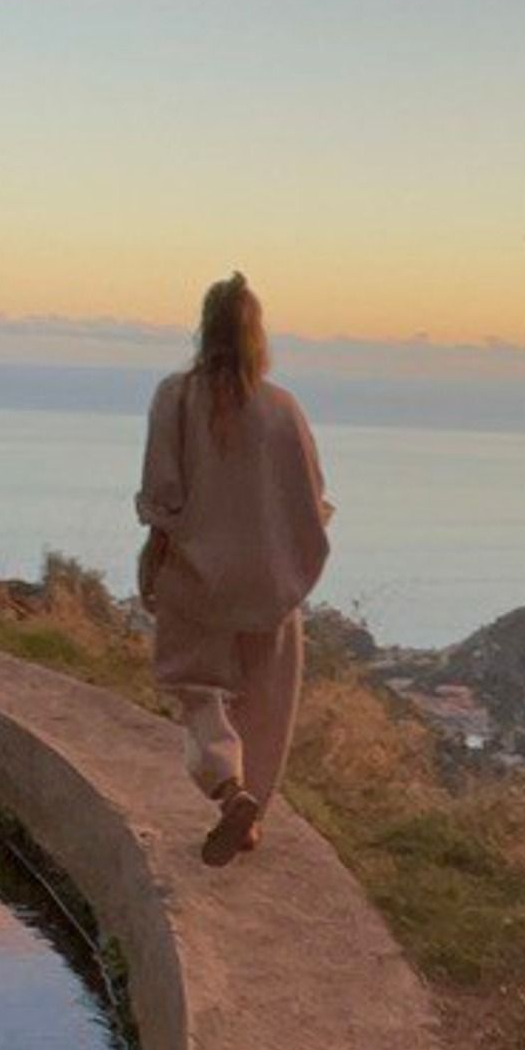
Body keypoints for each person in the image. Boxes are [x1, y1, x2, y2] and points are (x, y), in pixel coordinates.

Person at [135, 274, 332, 866]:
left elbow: (162, 491)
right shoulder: (282, 407)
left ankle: (229, 790)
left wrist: (157, 553)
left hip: (196, 576)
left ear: (204, 327)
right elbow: (313, 497)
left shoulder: (175, 395)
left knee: (198, 694)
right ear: (257, 333)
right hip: (271, 580)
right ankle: (252, 819)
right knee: (267, 704)